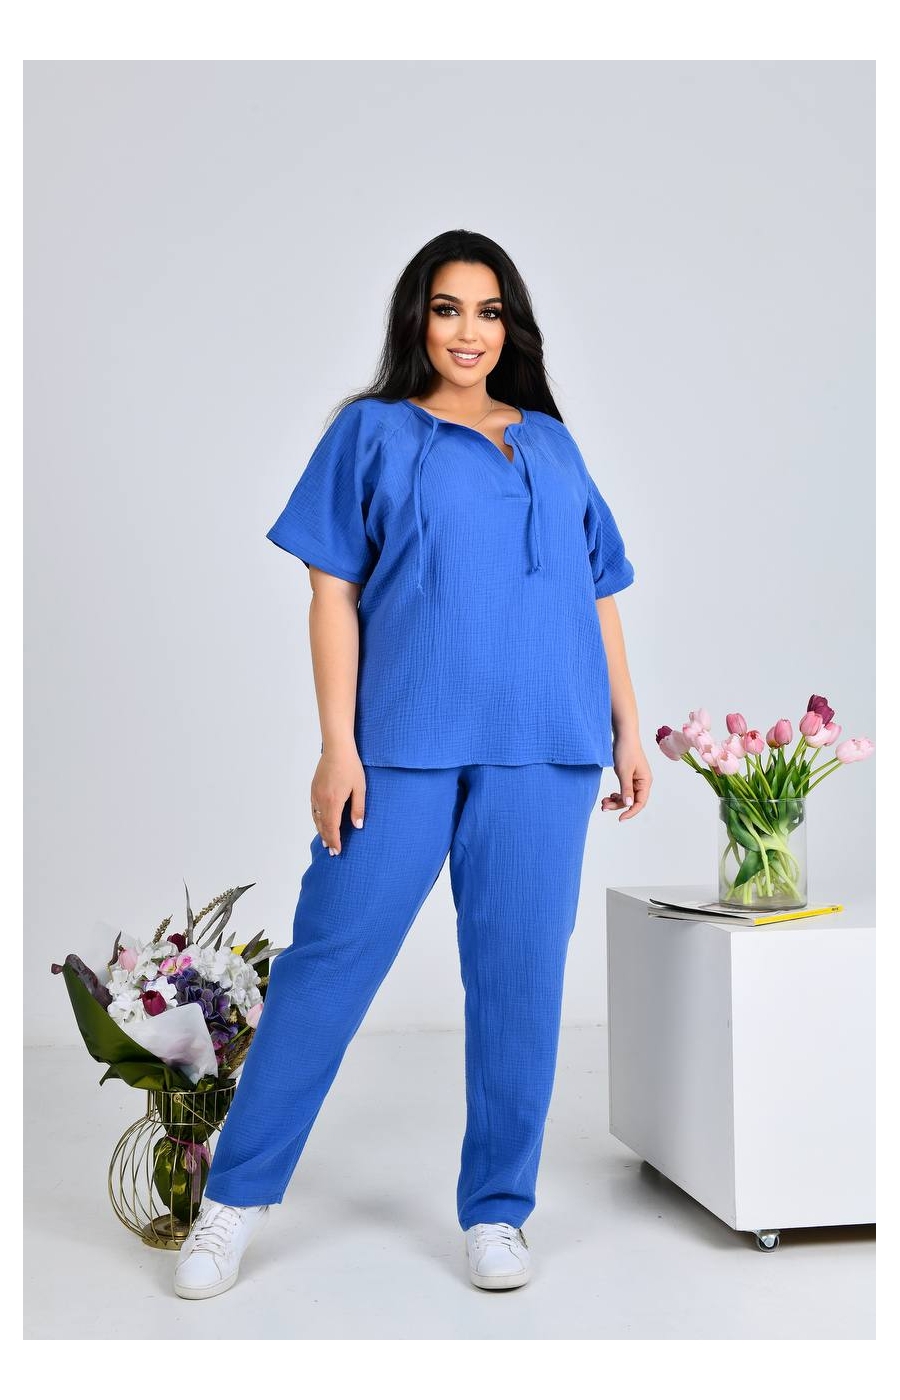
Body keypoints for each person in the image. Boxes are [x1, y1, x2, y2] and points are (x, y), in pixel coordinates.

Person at [174, 229, 652, 1300]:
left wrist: (628, 727)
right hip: (401, 744)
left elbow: (598, 592)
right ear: (417, 321)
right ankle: (233, 1198)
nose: (468, 332)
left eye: (488, 311)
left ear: (511, 327)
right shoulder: (373, 433)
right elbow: (331, 593)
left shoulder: (553, 445)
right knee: (329, 961)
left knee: (520, 981)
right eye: (447, 309)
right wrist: (336, 744)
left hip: (549, 745)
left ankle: (499, 1210)